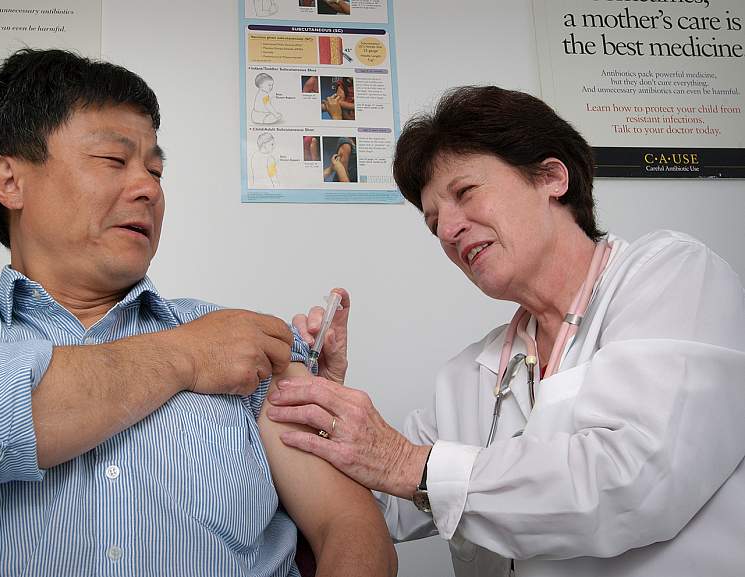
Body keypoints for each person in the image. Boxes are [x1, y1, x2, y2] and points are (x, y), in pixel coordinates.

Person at [0, 49, 396, 577]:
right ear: (10, 181)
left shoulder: (246, 344)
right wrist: (187, 354)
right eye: (113, 160)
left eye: (155, 169)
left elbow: (349, 526)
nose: (149, 188)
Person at [268, 86, 745, 575]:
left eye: (465, 193)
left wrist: (409, 465)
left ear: (551, 177)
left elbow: (639, 481)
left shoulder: (672, 276)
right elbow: (378, 509)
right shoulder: (468, 377)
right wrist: (326, 406)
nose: (449, 231)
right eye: (434, 223)